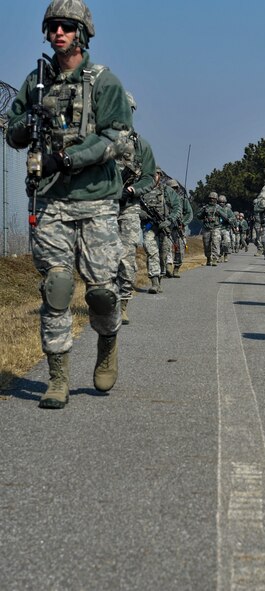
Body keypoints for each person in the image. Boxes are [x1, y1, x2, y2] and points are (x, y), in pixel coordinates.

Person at [6, 0, 132, 409]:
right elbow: (14, 133)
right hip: (51, 201)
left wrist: (70, 157)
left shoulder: (104, 82)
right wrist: (29, 122)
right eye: (52, 27)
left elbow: (117, 138)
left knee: (100, 294)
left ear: (82, 32)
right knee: (57, 288)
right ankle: (57, 377)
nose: (58, 33)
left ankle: (107, 342)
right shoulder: (36, 82)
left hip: (95, 200)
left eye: (66, 26)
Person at [117, 91, 156, 324]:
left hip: (128, 208)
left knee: (126, 258)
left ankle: (122, 304)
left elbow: (149, 177)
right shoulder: (96, 140)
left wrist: (131, 190)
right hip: (101, 206)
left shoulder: (140, 145)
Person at [140, 167, 181, 293]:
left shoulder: (167, 191)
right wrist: (142, 214)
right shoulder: (141, 191)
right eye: (151, 174)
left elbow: (177, 208)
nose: (154, 177)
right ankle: (154, 282)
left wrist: (168, 221)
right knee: (151, 252)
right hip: (149, 227)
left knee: (163, 255)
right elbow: (133, 206)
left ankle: (161, 276)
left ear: (160, 176)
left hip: (165, 227)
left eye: (156, 175)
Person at [164, 178, 193, 277]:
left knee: (180, 250)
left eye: (176, 188)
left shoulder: (183, 200)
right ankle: (167, 267)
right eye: (172, 188)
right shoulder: (162, 200)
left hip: (178, 228)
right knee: (166, 247)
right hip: (167, 227)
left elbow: (189, 213)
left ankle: (176, 268)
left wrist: (183, 223)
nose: (174, 190)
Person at [196, 191, 227, 266]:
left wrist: (219, 212)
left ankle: (214, 259)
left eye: (213, 198)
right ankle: (208, 258)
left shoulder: (218, 208)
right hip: (206, 228)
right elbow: (198, 216)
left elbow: (225, 217)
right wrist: (203, 214)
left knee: (215, 243)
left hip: (215, 228)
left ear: (216, 199)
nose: (212, 200)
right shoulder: (205, 207)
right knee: (206, 244)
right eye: (210, 198)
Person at [217, 194, 235, 262]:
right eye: (220, 202)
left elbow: (233, 218)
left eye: (223, 202)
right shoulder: (216, 209)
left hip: (225, 228)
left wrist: (229, 220)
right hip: (217, 228)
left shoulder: (228, 210)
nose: (221, 203)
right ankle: (219, 255)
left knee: (226, 242)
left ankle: (226, 254)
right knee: (218, 243)